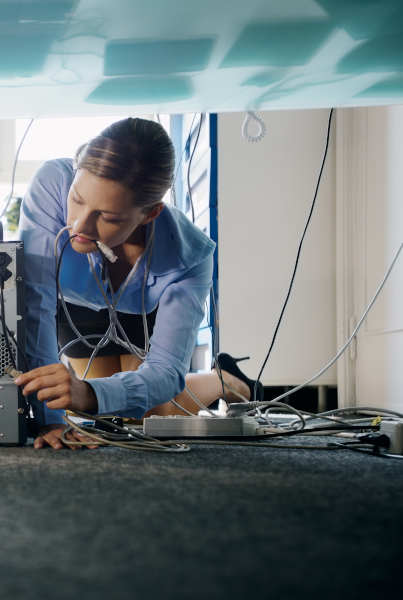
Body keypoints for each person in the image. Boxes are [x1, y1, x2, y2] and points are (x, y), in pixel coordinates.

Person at [14, 117, 262, 449]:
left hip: (144, 317)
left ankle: (227, 380)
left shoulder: (191, 257)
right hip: (76, 311)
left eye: (109, 217)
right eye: (77, 199)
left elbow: (164, 372)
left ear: (150, 213)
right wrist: (51, 420)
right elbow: (34, 307)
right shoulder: (52, 183)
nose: (79, 225)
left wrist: (89, 392)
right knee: (93, 413)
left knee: (146, 412)